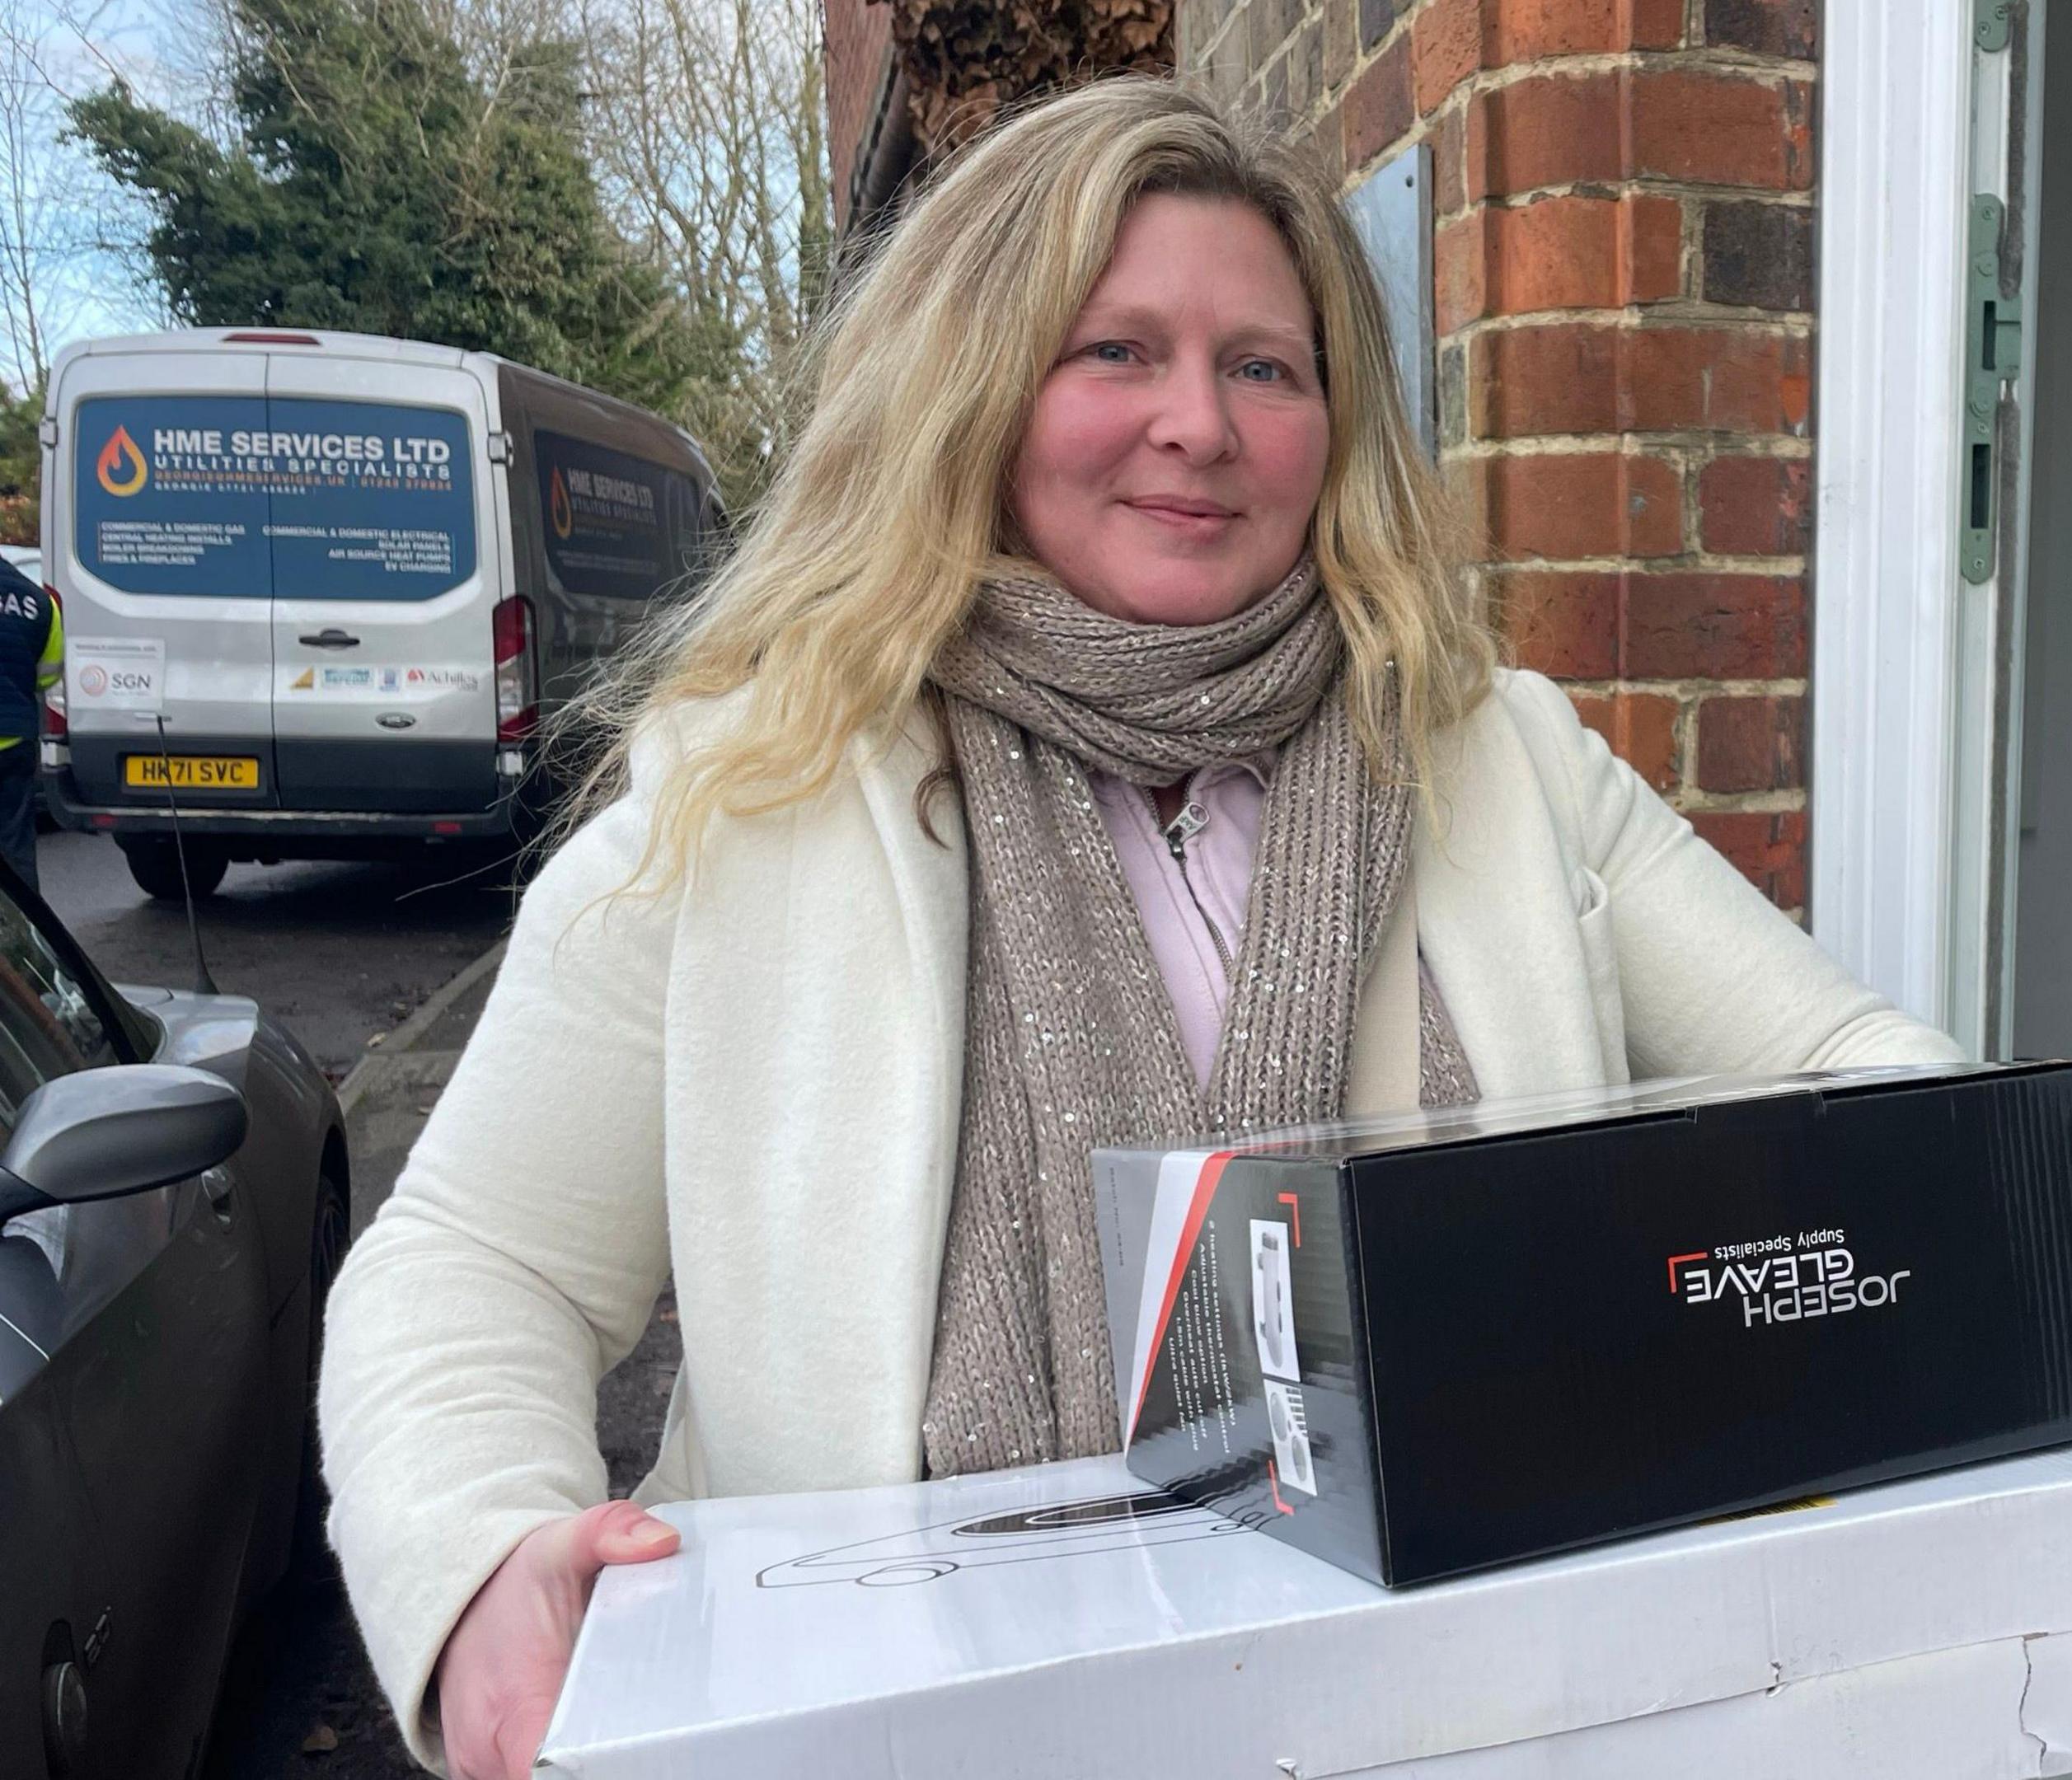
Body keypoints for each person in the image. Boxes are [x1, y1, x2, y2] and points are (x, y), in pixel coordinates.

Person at [318, 78, 1956, 1780]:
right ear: (975, 389)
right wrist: (488, 1556)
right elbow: (474, 1267)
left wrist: (1703, 1311)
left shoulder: (1501, 759)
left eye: (1266, 364)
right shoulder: (751, 795)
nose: (1203, 424)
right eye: (1117, 353)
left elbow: (1872, 1087)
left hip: (1478, 1717)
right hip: (887, 1734)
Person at [0, 552, 60, 892]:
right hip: (15, 741)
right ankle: (26, 938)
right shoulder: (38, 600)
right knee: (16, 849)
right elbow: (49, 673)